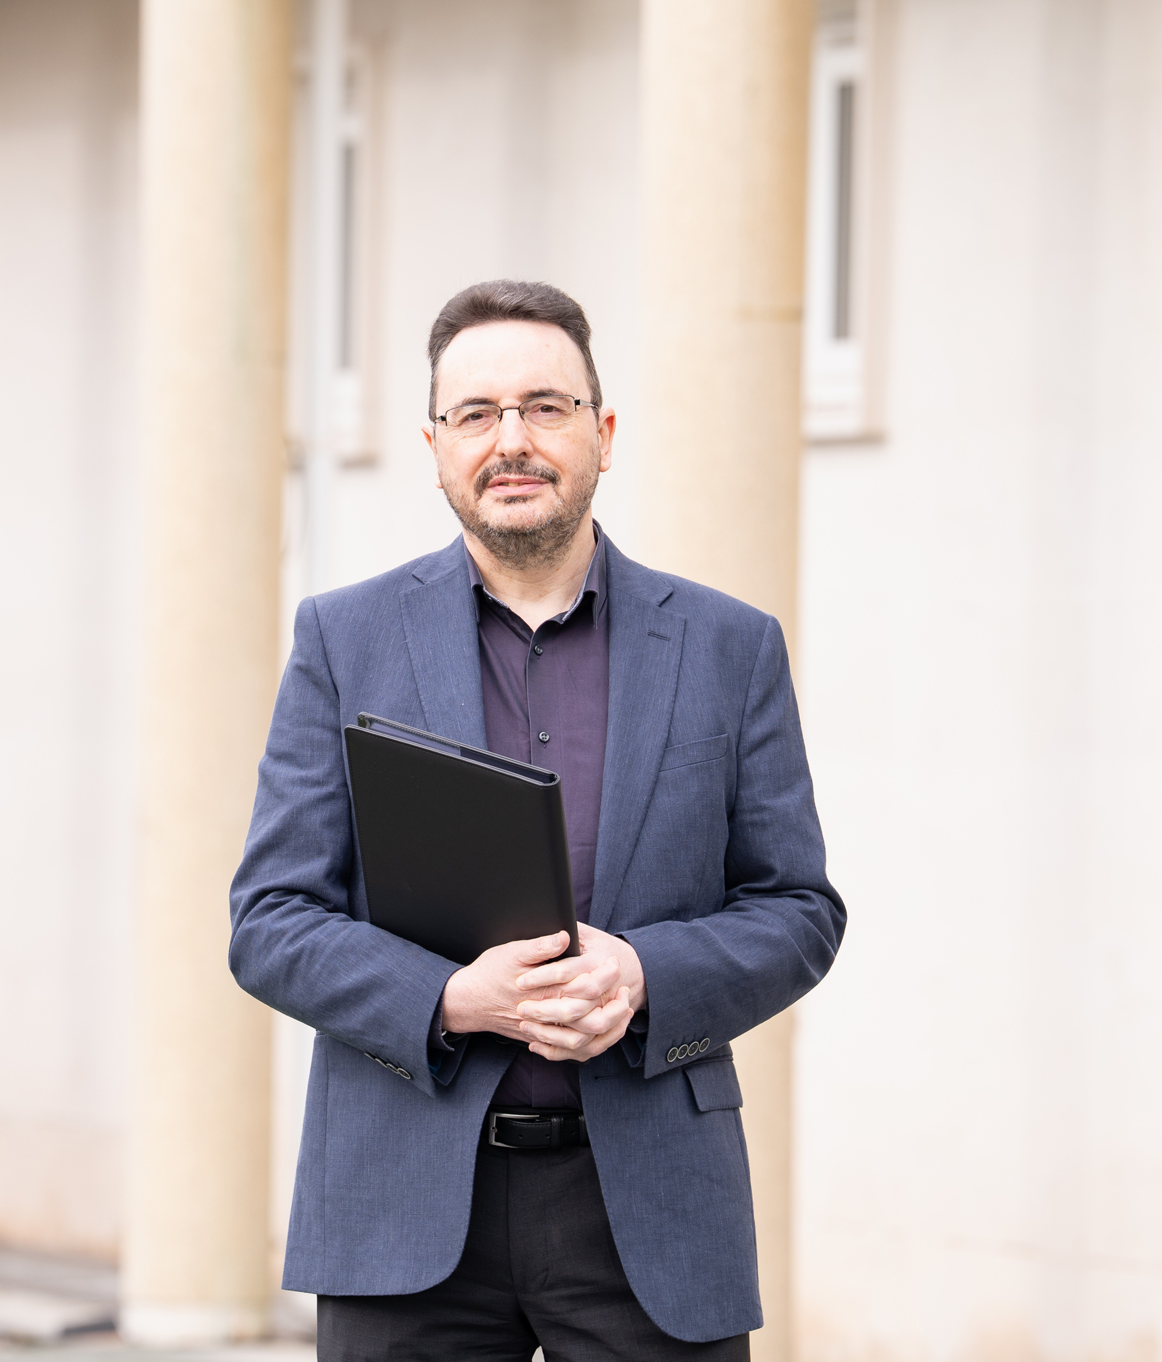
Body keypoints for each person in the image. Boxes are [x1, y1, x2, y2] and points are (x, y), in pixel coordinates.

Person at [228, 279, 845, 1361]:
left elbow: (798, 910)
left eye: (544, 407)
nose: (509, 440)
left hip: (650, 1209)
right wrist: (448, 998)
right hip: (402, 1206)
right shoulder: (341, 639)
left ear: (602, 434)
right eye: (475, 413)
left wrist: (645, 977)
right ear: (435, 448)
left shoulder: (728, 647)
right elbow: (270, 921)